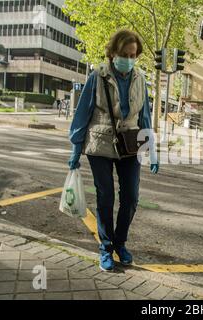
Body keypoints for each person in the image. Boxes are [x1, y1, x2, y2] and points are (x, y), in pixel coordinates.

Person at [68, 29, 159, 272]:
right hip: (100, 142)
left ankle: (120, 243)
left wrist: (152, 149)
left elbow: (145, 116)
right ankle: (106, 248)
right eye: (124, 54)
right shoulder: (97, 76)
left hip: (130, 142)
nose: (129, 59)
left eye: (133, 55)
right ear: (113, 53)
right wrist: (76, 149)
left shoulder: (140, 79)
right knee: (105, 196)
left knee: (131, 197)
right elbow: (82, 113)